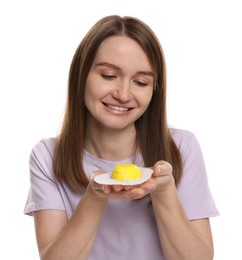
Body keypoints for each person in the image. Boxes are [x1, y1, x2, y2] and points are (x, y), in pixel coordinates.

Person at [24, 15, 219, 260]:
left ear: (154, 90)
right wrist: (95, 195)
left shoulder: (180, 148)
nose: (124, 94)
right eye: (108, 76)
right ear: (81, 76)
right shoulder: (48, 157)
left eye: (140, 82)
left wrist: (164, 190)